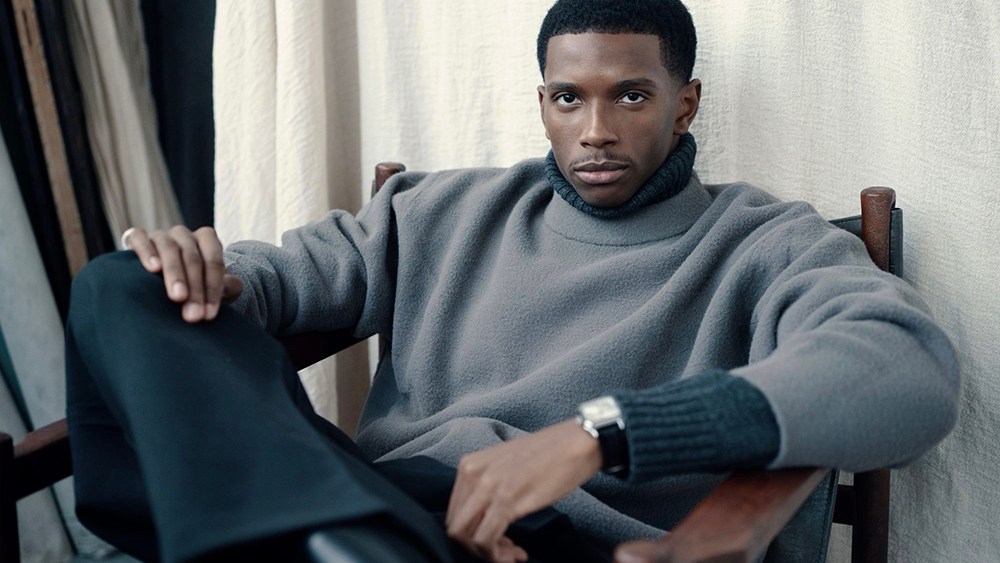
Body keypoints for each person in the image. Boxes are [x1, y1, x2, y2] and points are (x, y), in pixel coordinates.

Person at [65, 1, 960, 562]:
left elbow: (909, 365)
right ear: (543, 103)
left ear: (685, 103)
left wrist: (601, 433)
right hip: (389, 501)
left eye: (631, 95)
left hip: (551, 540)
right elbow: (285, 277)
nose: (596, 128)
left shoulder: (762, 241)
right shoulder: (435, 210)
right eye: (570, 97)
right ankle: (333, 540)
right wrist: (212, 275)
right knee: (121, 284)